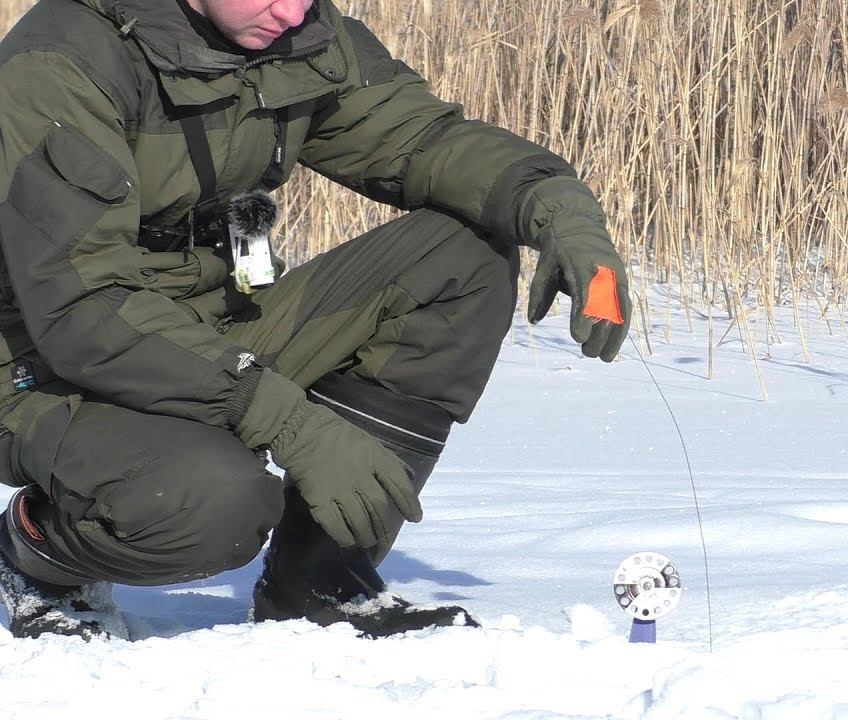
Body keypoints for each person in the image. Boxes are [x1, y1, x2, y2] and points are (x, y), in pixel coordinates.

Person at [0, 0, 631, 640]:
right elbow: (84, 304)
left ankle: (322, 580)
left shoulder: (298, 33)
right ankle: (40, 558)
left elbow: (422, 140)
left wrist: (561, 209)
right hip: (44, 362)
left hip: (210, 321)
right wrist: (286, 419)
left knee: (461, 256)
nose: (293, 9)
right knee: (211, 505)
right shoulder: (64, 62)